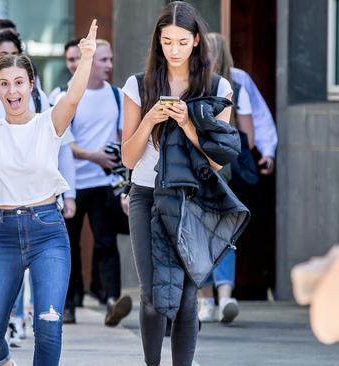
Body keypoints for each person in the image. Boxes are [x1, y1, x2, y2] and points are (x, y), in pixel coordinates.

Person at [0, 19, 98, 366]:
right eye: (4, 84)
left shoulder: (50, 122)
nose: (12, 90)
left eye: (19, 82)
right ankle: (5, 363)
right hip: (2, 233)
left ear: (31, 85)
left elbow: (75, 96)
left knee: (48, 325)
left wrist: (88, 55)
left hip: (47, 230)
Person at [121, 2, 235, 365]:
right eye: (167, 41)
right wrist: (150, 119)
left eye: (182, 42)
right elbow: (127, 156)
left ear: (197, 41)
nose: (173, 50)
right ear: (158, 41)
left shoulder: (218, 87)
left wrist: (188, 124)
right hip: (146, 195)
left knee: (187, 297)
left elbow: (217, 160)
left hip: (192, 197)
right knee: (153, 294)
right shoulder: (138, 85)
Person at [55, 38, 132, 326]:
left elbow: (125, 135)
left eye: (110, 60)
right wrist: (92, 155)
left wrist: (118, 162)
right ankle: (69, 303)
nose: (109, 65)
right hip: (72, 183)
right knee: (69, 244)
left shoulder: (117, 96)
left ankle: (112, 300)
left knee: (105, 241)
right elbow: (58, 140)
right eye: (103, 60)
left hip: (105, 182)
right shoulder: (64, 95)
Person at [197, 32, 256, 324]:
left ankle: (206, 301)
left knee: (200, 233)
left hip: (198, 168)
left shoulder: (194, 84)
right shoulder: (236, 86)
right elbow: (249, 138)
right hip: (226, 169)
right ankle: (225, 297)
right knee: (223, 234)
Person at [48, 39, 81, 105]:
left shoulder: (106, 90)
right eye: (71, 59)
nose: (77, 63)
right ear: (66, 62)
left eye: (80, 58)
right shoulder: (57, 94)